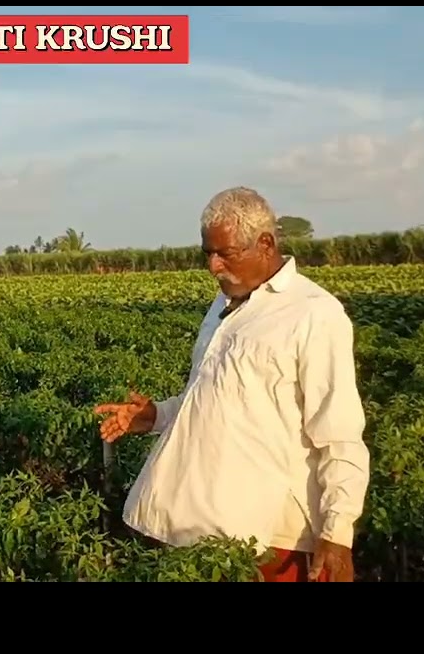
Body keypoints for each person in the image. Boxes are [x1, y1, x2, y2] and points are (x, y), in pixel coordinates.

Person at [96, 187, 369, 582]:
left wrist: (337, 532)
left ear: (265, 243)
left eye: (225, 253)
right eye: (208, 253)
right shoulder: (224, 306)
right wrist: (157, 415)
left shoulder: (314, 314)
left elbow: (339, 434)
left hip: (271, 537)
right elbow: (212, 397)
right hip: (201, 529)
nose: (214, 266)